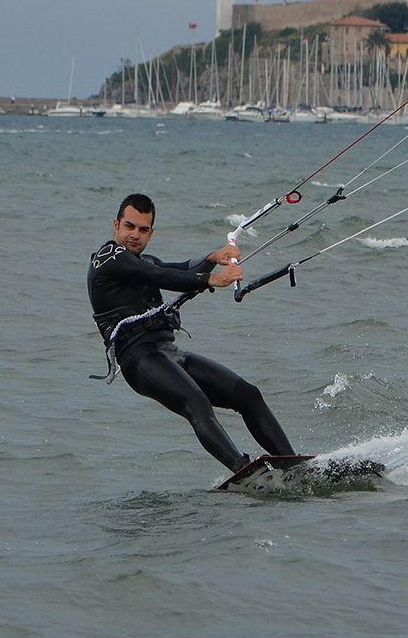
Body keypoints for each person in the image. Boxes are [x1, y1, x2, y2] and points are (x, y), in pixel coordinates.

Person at [87, 193, 295, 472]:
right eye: (129, 226)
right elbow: (159, 277)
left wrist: (213, 258)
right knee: (196, 403)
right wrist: (213, 279)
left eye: (143, 229)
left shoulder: (145, 260)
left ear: (151, 233)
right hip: (139, 359)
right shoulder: (107, 259)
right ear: (116, 225)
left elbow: (180, 269)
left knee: (249, 395)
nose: (135, 234)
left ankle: (294, 466)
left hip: (169, 353)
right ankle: (243, 470)